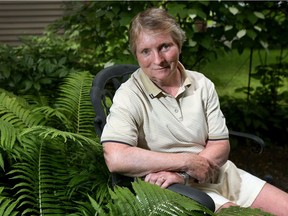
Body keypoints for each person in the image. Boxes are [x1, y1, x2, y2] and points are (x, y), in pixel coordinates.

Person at [101, 8, 288, 215]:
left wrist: (185, 173)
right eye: (145, 51)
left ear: (179, 45)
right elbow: (116, 157)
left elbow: (220, 144)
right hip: (175, 190)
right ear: (136, 54)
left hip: (220, 174)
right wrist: (186, 162)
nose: (157, 59)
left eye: (165, 46)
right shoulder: (129, 94)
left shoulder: (201, 83)